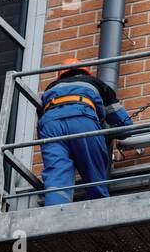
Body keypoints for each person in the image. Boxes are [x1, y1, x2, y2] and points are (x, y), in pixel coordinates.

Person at [38, 57, 133, 205]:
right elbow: (124, 125)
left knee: (56, 174)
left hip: (51, 126)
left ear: (60, 75)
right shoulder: (94, 83)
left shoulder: (51, 87)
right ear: (85, 72)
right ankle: (98, 209)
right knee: (93, 170)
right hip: (82, 120)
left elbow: (41, 115)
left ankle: (54, 212)